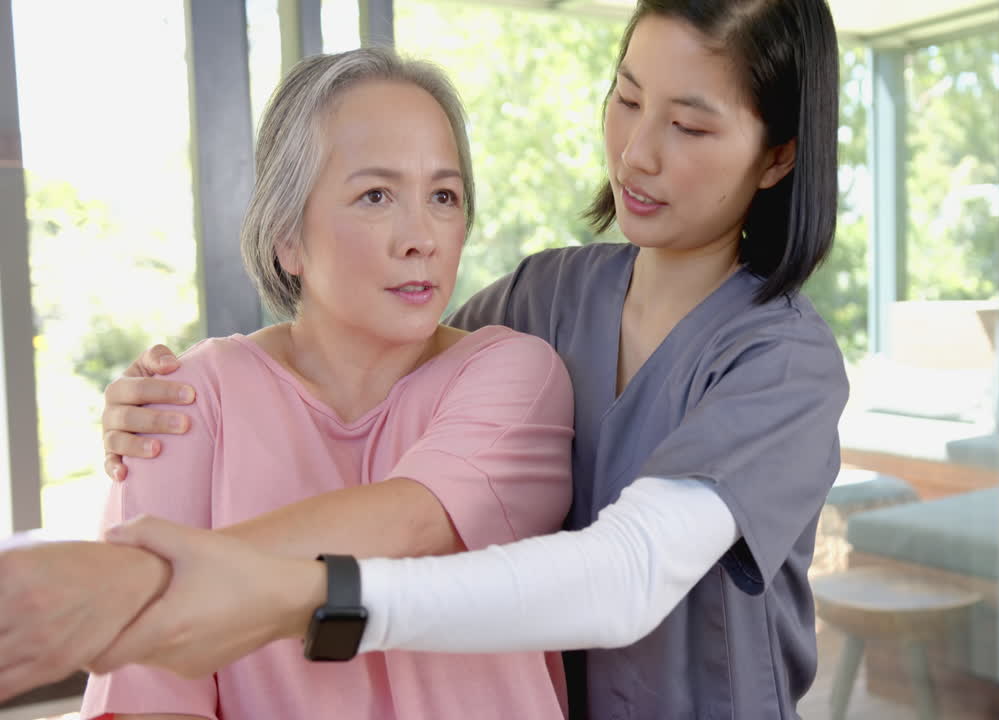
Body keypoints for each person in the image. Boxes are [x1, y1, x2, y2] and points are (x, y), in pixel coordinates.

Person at [0, 1, 845, 717]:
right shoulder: (548, 297)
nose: (635, 154)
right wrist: (151, 402)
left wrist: (236, 582)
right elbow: (380, 345)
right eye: (625, 99)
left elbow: (622, 576)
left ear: (778, 156)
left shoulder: (782, 363)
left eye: (690, 124)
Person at [5, 49, 576, 720]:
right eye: (376, 195)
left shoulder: (514, 374)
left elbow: (412, 520)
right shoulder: (185, 401)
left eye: (443, 196)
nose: (421, 236)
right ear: (287, 239)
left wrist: (137, 577)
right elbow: (152, 701)